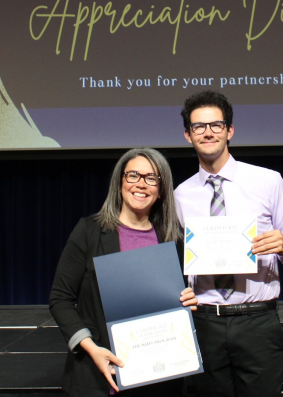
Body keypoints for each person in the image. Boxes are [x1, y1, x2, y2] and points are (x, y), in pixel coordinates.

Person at [175, 91, 283, 397]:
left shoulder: (268, 181)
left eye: (216, 125)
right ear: (188, 135)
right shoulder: (181, 194)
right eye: (198, 127)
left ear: (229, 131)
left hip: (256, 320)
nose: (208, 132)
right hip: (205, 321)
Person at [49, 148, 197, 397]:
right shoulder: (89, 231)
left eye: (152, 178)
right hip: (98, 376)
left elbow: (178, 302)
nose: (141, 184)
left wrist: (189, 302)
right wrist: (91, 348)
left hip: (161, 378)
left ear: (160, 191)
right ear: (120, 183)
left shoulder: (173, 241)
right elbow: (60, 300)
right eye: (133, 176)